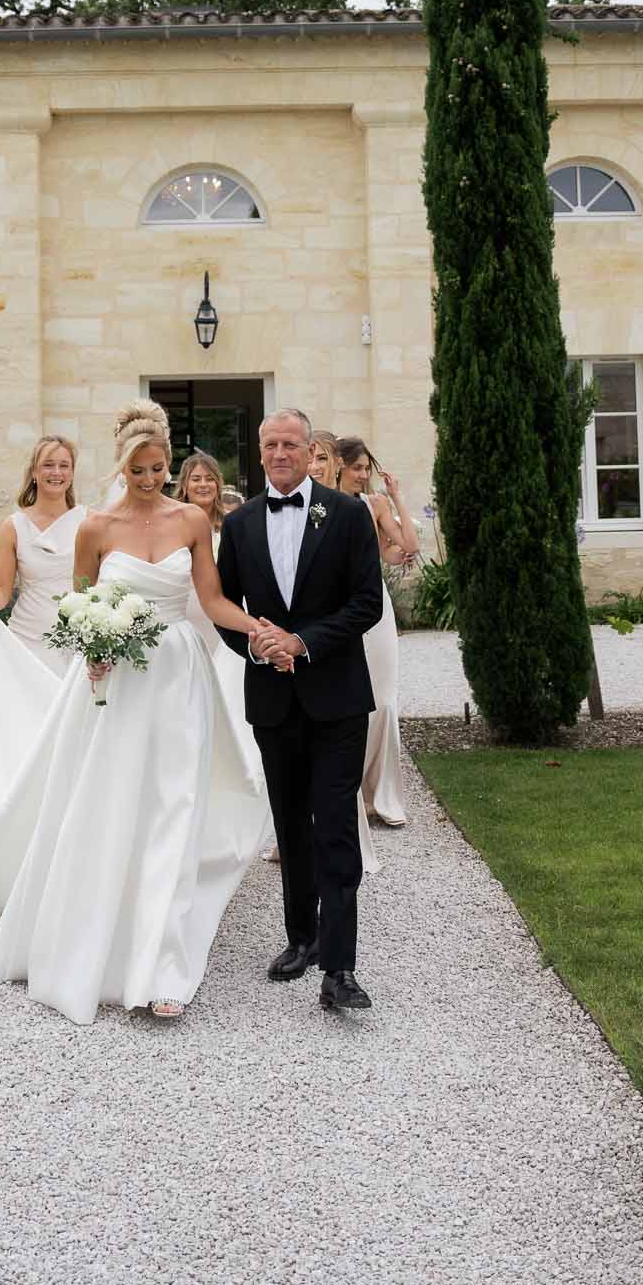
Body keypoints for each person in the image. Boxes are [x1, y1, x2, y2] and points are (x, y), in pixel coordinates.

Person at [0, 400, 270, 1026]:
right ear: (123, 467)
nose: (149, 481)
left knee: (175, 807)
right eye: (138, 471)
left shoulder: (192, 520)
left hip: (177, 675)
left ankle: (162, 966)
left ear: (169, 465)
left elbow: (212, 600)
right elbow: (77, 607)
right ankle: (98, 940)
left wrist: (258, 631)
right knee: (112, 805)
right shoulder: (95, 528)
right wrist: (90, 650)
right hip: (114, 685)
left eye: (158, 469)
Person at [216, 409, 382, 1014]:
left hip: (337, 696)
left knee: (334, 826)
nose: (280, 453)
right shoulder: (237, 525)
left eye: (290, 443)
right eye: (270, 445)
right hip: (273, 700)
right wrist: (259, 647)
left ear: (310, 448)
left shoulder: (346, 515)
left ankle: (340, 968)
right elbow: (224, 609)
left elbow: (367, 603)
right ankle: (301, 937)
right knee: (289, 821)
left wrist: (303, 642)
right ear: (258, 453)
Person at [174, 451, 273, 850]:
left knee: (232, 721)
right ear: (183, 483)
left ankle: (245, 809)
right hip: (186, 623)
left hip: (224, 628)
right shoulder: (172, 523)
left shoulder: (232, 525)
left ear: (218, 484)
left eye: (209, 479)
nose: (202, 485)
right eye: (195, 478)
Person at [337, 436, 419, 828]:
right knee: (348, 701)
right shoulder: (325, 508)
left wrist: (396, 496)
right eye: (357, 468)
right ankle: (347, 792)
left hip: (376, 608)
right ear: (340, 466)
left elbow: (406, 548)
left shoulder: (375, 505)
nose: (363, 475)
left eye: (367, 468)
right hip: (339, 608)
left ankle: (382, 794)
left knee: (383, 700)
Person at [0, 436, 85, 675]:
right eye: (48, 464)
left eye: (64, 465)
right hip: (26, 639)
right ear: (34, 472)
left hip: (76, 642)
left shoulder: (88, 522)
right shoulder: (13, 526)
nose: (56, 472)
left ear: (71, 473)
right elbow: (0, 589)